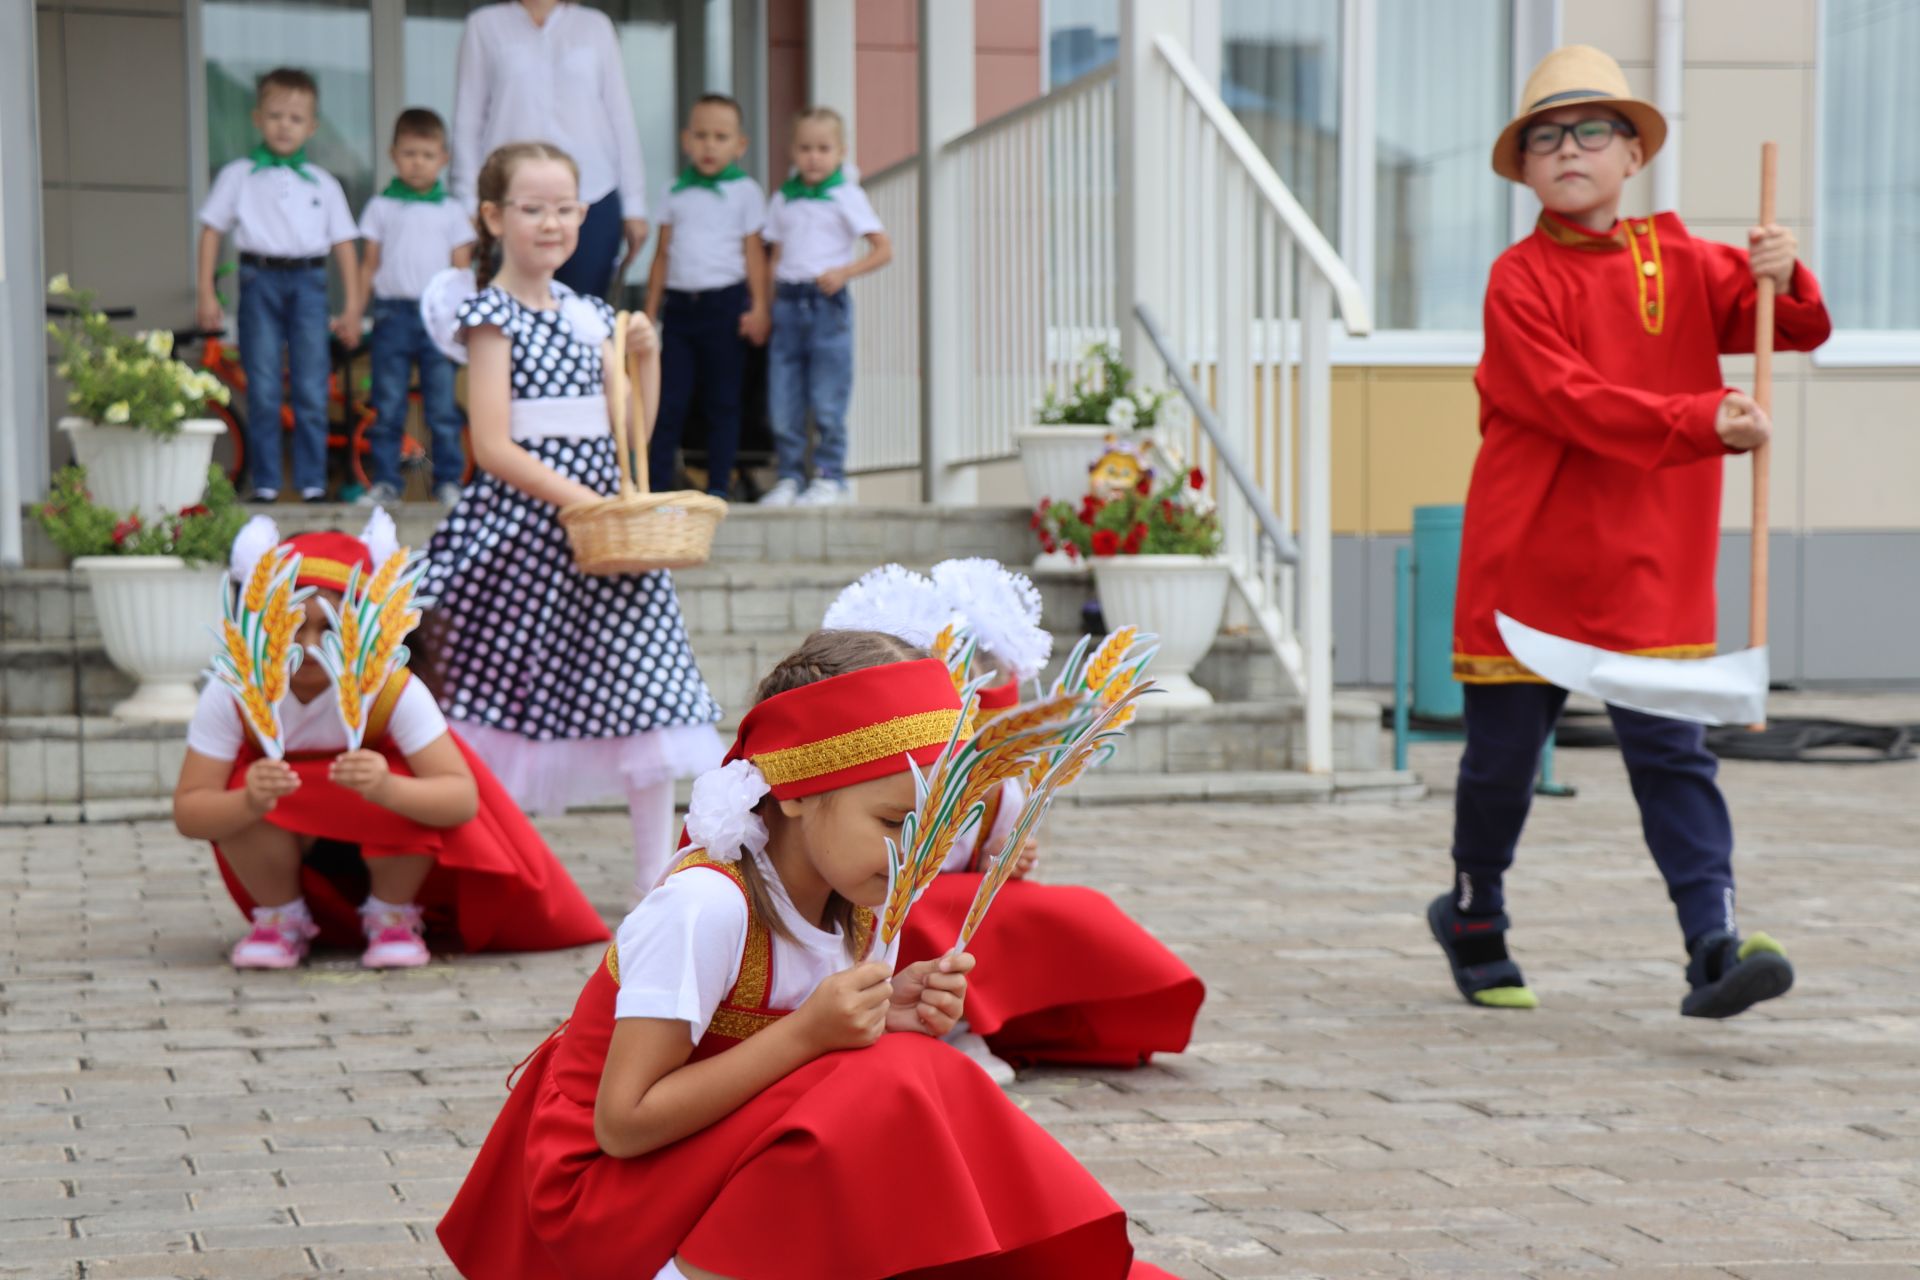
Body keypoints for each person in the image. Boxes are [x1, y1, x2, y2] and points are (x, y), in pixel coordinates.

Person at [436, 631, 1179, 1279]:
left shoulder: (863, 900)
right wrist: (812, 1034)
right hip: (602, 1199)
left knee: (922, 1070)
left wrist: (889, 1012)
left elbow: (814, 1071)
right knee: (887, 1081)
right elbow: (622, 1123)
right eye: (893, 819)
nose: (917, 850)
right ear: (793, 789)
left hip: (710, 1160)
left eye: (935, 828)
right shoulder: (705, 908)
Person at [1433, 45, 1832, 1019]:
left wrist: (1787, 270)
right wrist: (1701, 420)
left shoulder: (1690, 262)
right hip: (1528, 559)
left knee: (1672, 754)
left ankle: (1713, 943)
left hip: (1652, 561)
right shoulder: (1516, 281)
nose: (1569, 148)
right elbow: (1574, 400)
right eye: (1545, 137)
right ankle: (1475, 909)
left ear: (1632, 153)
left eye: (1592, 129)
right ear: (1524, 167)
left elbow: (1795, 325)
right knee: (1501, 762)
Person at [417, 141, 724, 903]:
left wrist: (643, 361)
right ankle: (495, 868)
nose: (551, 223)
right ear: (493, 217)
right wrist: (579, 503)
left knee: (646, 686)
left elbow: (632, 433)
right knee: (511, 694)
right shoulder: (490, 314)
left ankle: (657, 876)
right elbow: (491, 443)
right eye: (532, 208)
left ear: (584, 216)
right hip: (528, 531)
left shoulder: (594, 317)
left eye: (565, 209)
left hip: (609, 539)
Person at [171, 513, 609, 970]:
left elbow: (459, 799)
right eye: (295, 627)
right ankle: (281, 919)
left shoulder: (392, 688)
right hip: (284, 844)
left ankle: (392, 915)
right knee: (243, 786)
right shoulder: (234, 691)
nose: (310, 645)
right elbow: (190, 811)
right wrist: (248, 800)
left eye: (330, 630)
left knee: (406, 782)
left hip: (384, 845)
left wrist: (385, 788)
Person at [826, 560, 1205, 1081]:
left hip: (957, 888)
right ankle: (953, 1030)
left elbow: (991, 841)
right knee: (930, 916)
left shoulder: (1004, 782)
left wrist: (1006, 855)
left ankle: (1045, 1020)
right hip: (891, 893)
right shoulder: (895, 763)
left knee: (1074, 908)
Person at [195, 67, 361, 505]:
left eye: (295, 117)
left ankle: (311, 483)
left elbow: (344, 245)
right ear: (257, 118)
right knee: (264, 383)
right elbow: (212, 230)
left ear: (312, 126)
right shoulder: (238, 174)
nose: (284, 125)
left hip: (309, 283)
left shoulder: (324, 184)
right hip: (258, 280)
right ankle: (265, 483)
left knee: (310, 385)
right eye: (275, 115)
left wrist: (353, 307)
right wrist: (206, 291)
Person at [451, 0, 648, 299]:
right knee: (516, 311)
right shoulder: (484, 26)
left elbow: (620, 117)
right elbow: (468, 119)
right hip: (513, 198)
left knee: (585, 315)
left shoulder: (596, 26)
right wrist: (468, 201)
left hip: (590, 196)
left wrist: (634, 205)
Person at [758, 107, 892, 508]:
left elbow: (883, 249)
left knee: (828, 396)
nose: (814, 157)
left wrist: (845, 271)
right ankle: (789, 476)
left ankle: (831, 476)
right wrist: (764, 307)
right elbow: (774, 256)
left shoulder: (846, 195)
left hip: (825, 303)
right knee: (783, 399)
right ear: (792, 152)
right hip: (787, 302)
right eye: (805, 148)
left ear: (841, 152)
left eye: (823, 148)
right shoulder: (783, 198)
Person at [643, 94, 769, 499]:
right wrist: (649, 313)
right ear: (685, 140)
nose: (709, 145)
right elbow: (662, 254)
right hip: (680, 308)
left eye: (721, 136)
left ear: (740, 145)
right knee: (668, 402)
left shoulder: (746, 192)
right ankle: (656, 487)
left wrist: (761, 307)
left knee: (723, 402)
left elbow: (754, 255)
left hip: (725, 306)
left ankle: (718, 488)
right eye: (701, 135)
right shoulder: (674, 191)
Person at [354, 108, 476, 511]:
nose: (417, 162)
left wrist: (464, 321)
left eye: (426, 154)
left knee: (442, 406)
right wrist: (355, 312)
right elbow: (368, 264)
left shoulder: (452, 210)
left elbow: (462, 272)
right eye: (409, 153)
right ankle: (387, 483)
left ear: (443, 158)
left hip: (438, 318)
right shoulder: (381, 206)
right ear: (393, 155)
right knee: (388, 404)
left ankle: (448, 483)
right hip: (392, 315)